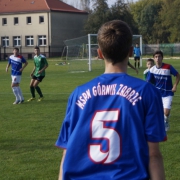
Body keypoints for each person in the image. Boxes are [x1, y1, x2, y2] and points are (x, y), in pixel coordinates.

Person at [56, 20, 166, 180]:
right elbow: (153, 155)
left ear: (99, 53)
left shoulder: (78, 94)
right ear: (130, 52)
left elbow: (67, 152)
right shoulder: (147, 92)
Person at [147, 50, 180, 132]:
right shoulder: (152, 70)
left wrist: (175, 85)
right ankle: (160, 123)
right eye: (156, 57)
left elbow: (178, 75)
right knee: (157, 113)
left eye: (159, 56)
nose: (157, 58)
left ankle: (166, 121)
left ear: (162, 58)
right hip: (157, 94)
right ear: (154, 58)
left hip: (168, 93)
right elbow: (148, 82)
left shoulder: (168, 67)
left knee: (166, 112)